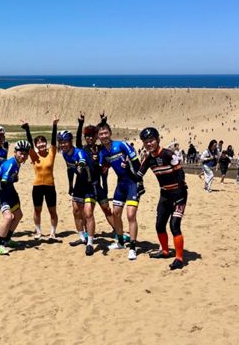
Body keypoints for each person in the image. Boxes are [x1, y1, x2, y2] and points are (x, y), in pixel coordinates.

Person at [137, 128, 188, 270]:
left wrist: (179, 194)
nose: (149, 144)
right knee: (159, 225)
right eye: (146, 142)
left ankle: (179, 258)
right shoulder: (148, 159)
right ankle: (165, 251)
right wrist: (127, 168)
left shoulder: (168, 154)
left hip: (179, 194)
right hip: (165, 194)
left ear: (158, 139)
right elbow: (138, 175)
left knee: (174, 225)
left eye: (151, 140)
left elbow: (180, 174)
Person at [97, 122, 143, 260]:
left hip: (132, 183)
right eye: (101, 134)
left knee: (131, 215)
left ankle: (133, 248)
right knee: (116, 214)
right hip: (121, 184)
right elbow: (101, 169)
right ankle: (121, 242)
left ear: (110, 133)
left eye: (106, 133)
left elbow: (137, 163)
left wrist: (140, 181)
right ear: (98, 136)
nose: (104, 136)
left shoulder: (121, 145)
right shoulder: (102, 152)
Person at [76, 114, 116, 238]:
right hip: (86, 187)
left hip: (97, 185)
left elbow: (105, 138)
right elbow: (77, 141)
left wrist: (103, 121)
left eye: (92, 136)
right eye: (87, 136)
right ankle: (86, 233)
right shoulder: (82, 149)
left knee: (107, 209)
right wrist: (80, 124)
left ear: (96, 137)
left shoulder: (100, 148)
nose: (89, 138)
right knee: (86, 212)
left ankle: (117, 231)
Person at [21, 116, 59, 239]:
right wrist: (27, 129)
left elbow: (54, 141)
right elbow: (29, 144)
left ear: (45, 143)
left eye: (43, 142)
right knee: (37, 210)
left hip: (50, 186)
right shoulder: (34, 155)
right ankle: (38, 232)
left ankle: (53, 232)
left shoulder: (52, 153)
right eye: (38, 142)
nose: (41, 144)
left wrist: (54, 125)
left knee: (52, 211)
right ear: (36, 145)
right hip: (37, 186)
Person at [0, 140, 31, 255]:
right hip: (0, 191)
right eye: (21, 153)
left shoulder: (17, 162)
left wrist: (13, 179)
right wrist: (11, 179)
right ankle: (1, 245)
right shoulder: (11, 164)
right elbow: (4, 181)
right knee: (8, 217)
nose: (23, 156)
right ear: (15, 152)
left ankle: (7, 239)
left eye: (25, 154)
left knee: (18, 215)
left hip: (10, 190)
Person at [57, 130, 92, 248]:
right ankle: (82, 237)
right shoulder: (64, 154)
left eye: (65, 142)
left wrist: (80, 166)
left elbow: (82, 160)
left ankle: (90, 242)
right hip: (79, 183)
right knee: (76, 210)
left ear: (70, 141)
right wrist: (70, 185)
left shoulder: (79, 152)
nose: (63, 145)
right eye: (61, 142)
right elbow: (70, 170)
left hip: (90, 183)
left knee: (88, 213)